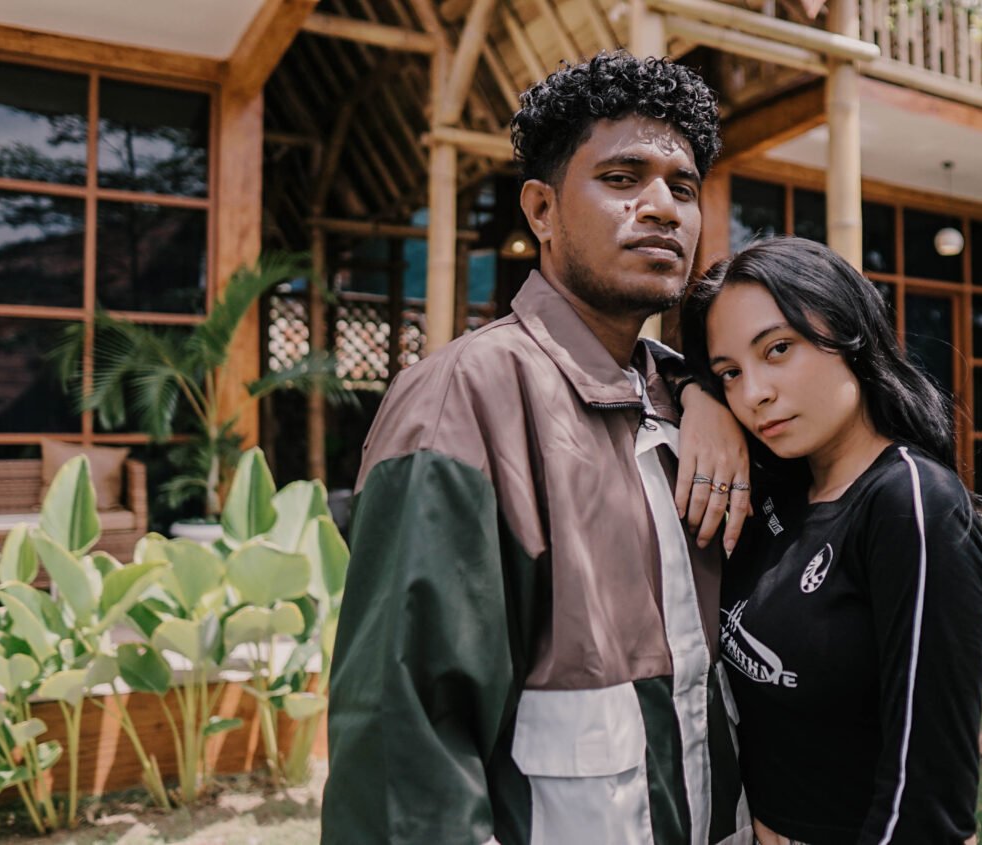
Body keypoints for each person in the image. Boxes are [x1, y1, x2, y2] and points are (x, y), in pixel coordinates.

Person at [323, 52, 754, 845]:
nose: (663, 207)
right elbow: (404, 744)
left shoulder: (695, 399)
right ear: (542, 209)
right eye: (622, 178)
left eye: (684, 187)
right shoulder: (463, 402)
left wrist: (701, 387)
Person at [680, 237, 982, 845]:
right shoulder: (775, 490)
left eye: (778, 349)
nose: (753, 394)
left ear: (850, 332)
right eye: (730, 374)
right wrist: (698, 396)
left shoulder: (911, 505)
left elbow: (928, 803)